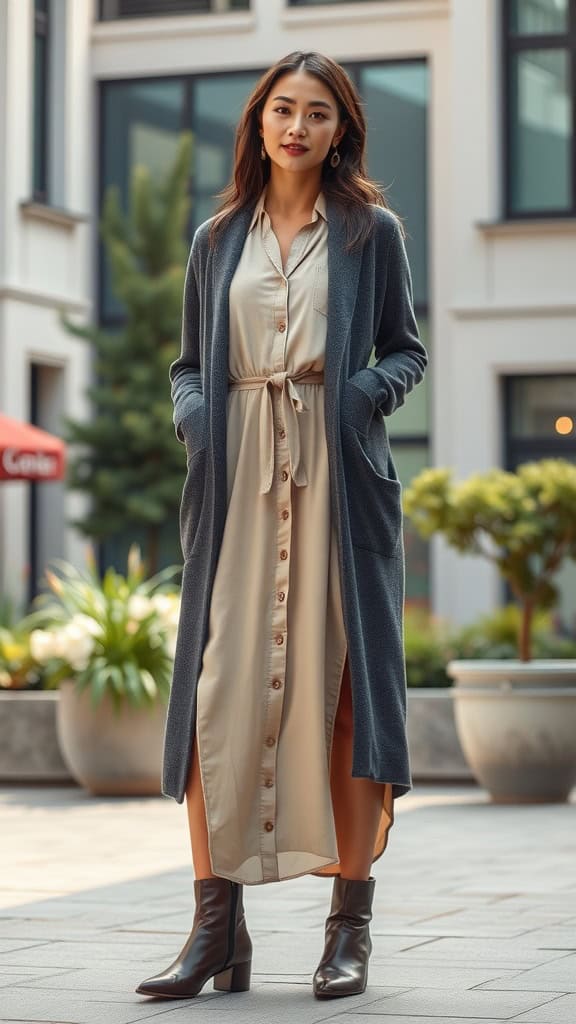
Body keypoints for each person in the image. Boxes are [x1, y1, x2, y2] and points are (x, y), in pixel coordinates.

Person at [136, 50, 427, 1003]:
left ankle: (350, 927)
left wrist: (357, 399)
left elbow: (406, 349)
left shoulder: (368, 232)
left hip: (338, 484)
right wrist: (197, 419)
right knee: (219, 693)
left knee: (344, 698)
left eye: (317, 114)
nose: (296, 127)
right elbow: (188, 365)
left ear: (341, 131)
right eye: (282, 110)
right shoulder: (216, 239)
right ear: (258, 121)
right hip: (237, 480)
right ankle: (215, 929)